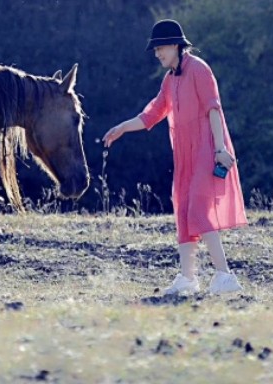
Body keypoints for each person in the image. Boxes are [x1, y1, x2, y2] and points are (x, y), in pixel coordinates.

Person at [102, 19, 247, 295]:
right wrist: (122, 128)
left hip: (206, 148)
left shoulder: (199, 70)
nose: (157, 54)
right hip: (184, 154)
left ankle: (224, 276)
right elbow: (152, 114)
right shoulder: (170, 80)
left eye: (160, 48)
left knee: (197, 210)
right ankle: (187, 278)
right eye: (155, 50)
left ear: (176, 46)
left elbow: (213, 110)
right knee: (183, 210)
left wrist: (219, 148)